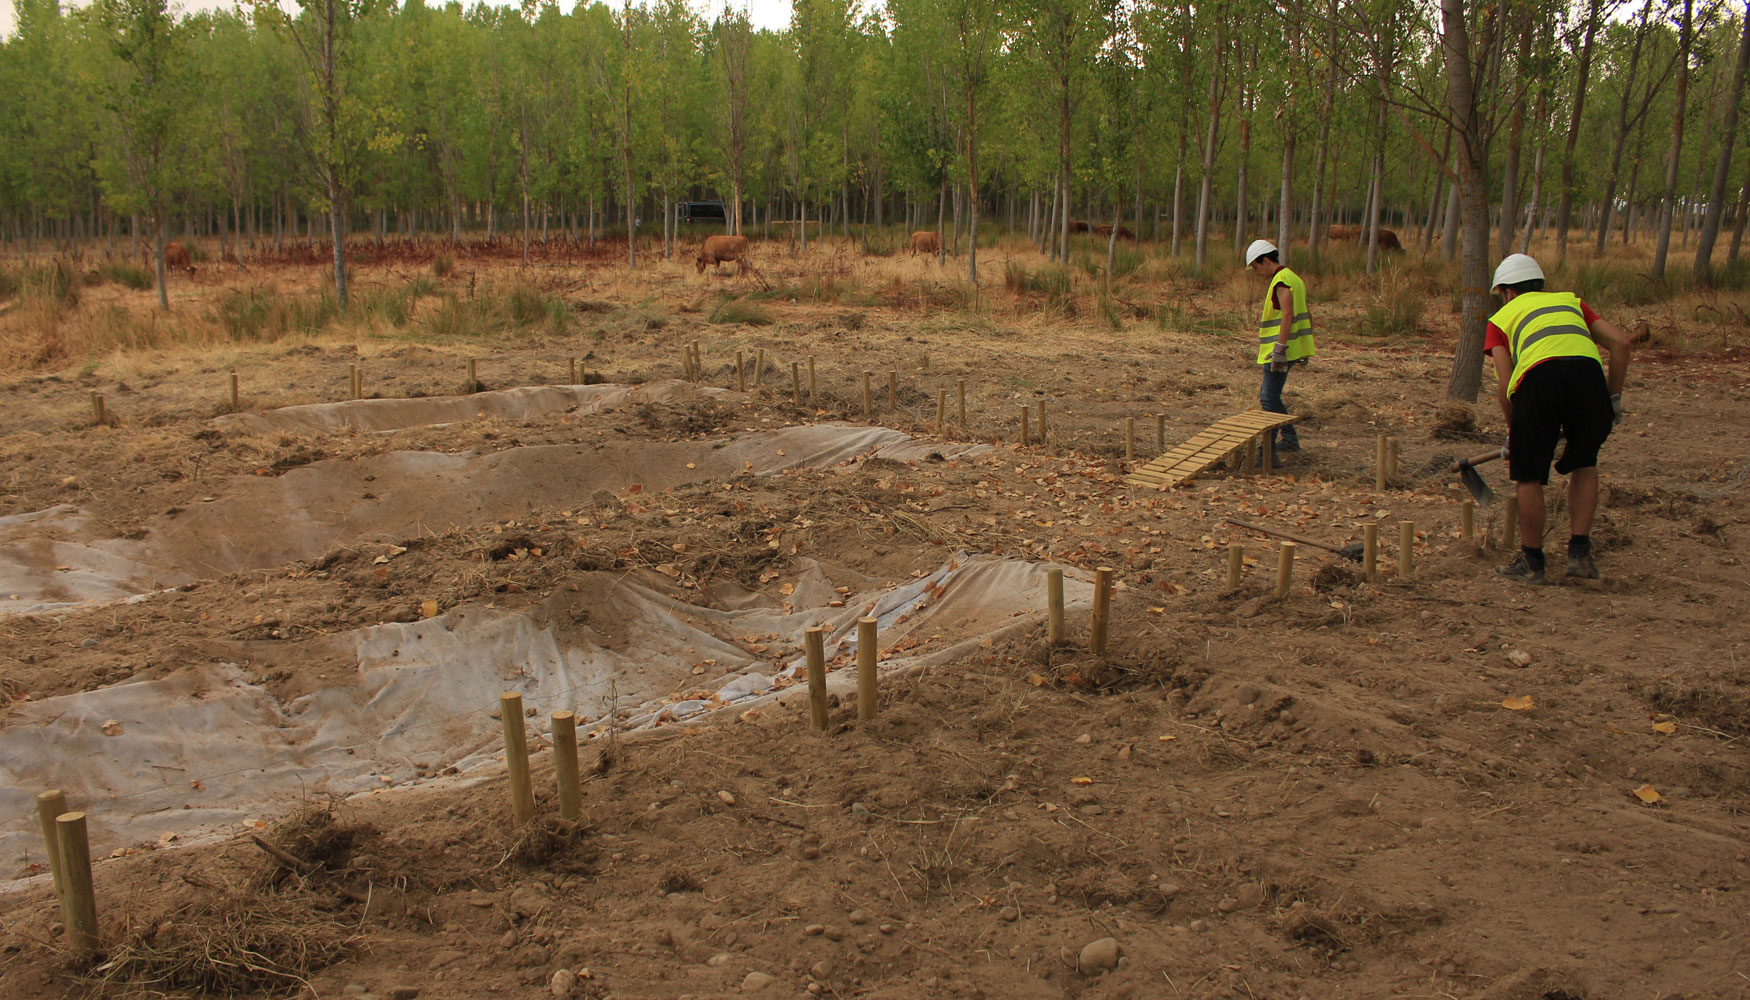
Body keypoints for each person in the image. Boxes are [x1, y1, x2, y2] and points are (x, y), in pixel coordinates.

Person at [1485, 253, 1631, 582]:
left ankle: (1533, 563)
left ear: (1507, 291)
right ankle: (1579, 554)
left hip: (1538, 382)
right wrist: (1614, 398)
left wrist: (1515, 434)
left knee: (1529, 475)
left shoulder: (1501, 319)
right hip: (1589, 380)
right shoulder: (1572, 303)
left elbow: (1507, 383)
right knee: (1585, 462)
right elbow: (1621, 343)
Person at [1244, 239, 1315, 453]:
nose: (1256, 272)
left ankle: (1268, 452)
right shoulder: (1294, 278)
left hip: (1280, 351)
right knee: (1271, 396)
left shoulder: (1281, 281)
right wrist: (1302, 346)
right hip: (1292, 348)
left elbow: (1288, 315)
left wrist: (1280, 349)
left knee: (1268, 398)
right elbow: (1308, 315)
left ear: (1265, 260)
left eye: (1256, 267)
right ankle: (1289, 440)